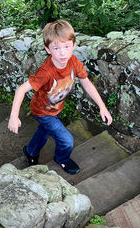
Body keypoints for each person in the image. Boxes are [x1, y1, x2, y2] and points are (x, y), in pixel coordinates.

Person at [8, 19, 112, 174]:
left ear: (73, 46)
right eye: (56, 48)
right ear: (48, 49)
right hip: (43, 112)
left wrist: (102, 107)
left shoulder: (74, 62)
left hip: (55, 108)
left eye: (66, 47)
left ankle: (31, 152)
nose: (62, 53)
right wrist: (14, 116)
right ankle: (62, 158)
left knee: (44, 132)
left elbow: (86, 83)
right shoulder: (46, 72)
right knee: (66, 140)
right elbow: (21, 90)